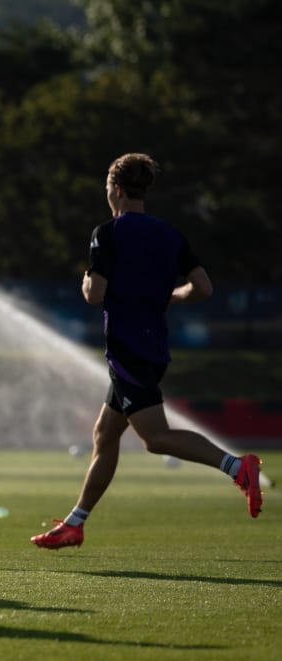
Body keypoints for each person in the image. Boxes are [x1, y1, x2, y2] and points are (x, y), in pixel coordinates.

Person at [32, 153, 263, 550]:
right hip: (152, 344)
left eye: (107, 188)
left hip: (128, 350)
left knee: (155, 439)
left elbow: (95, 295)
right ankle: (75, 523)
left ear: (117, 190)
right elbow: (204, 287)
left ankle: (237, 467)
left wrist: (86, 278)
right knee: (104, 435)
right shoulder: (170, 234)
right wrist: (172, 294)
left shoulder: (107, 233)